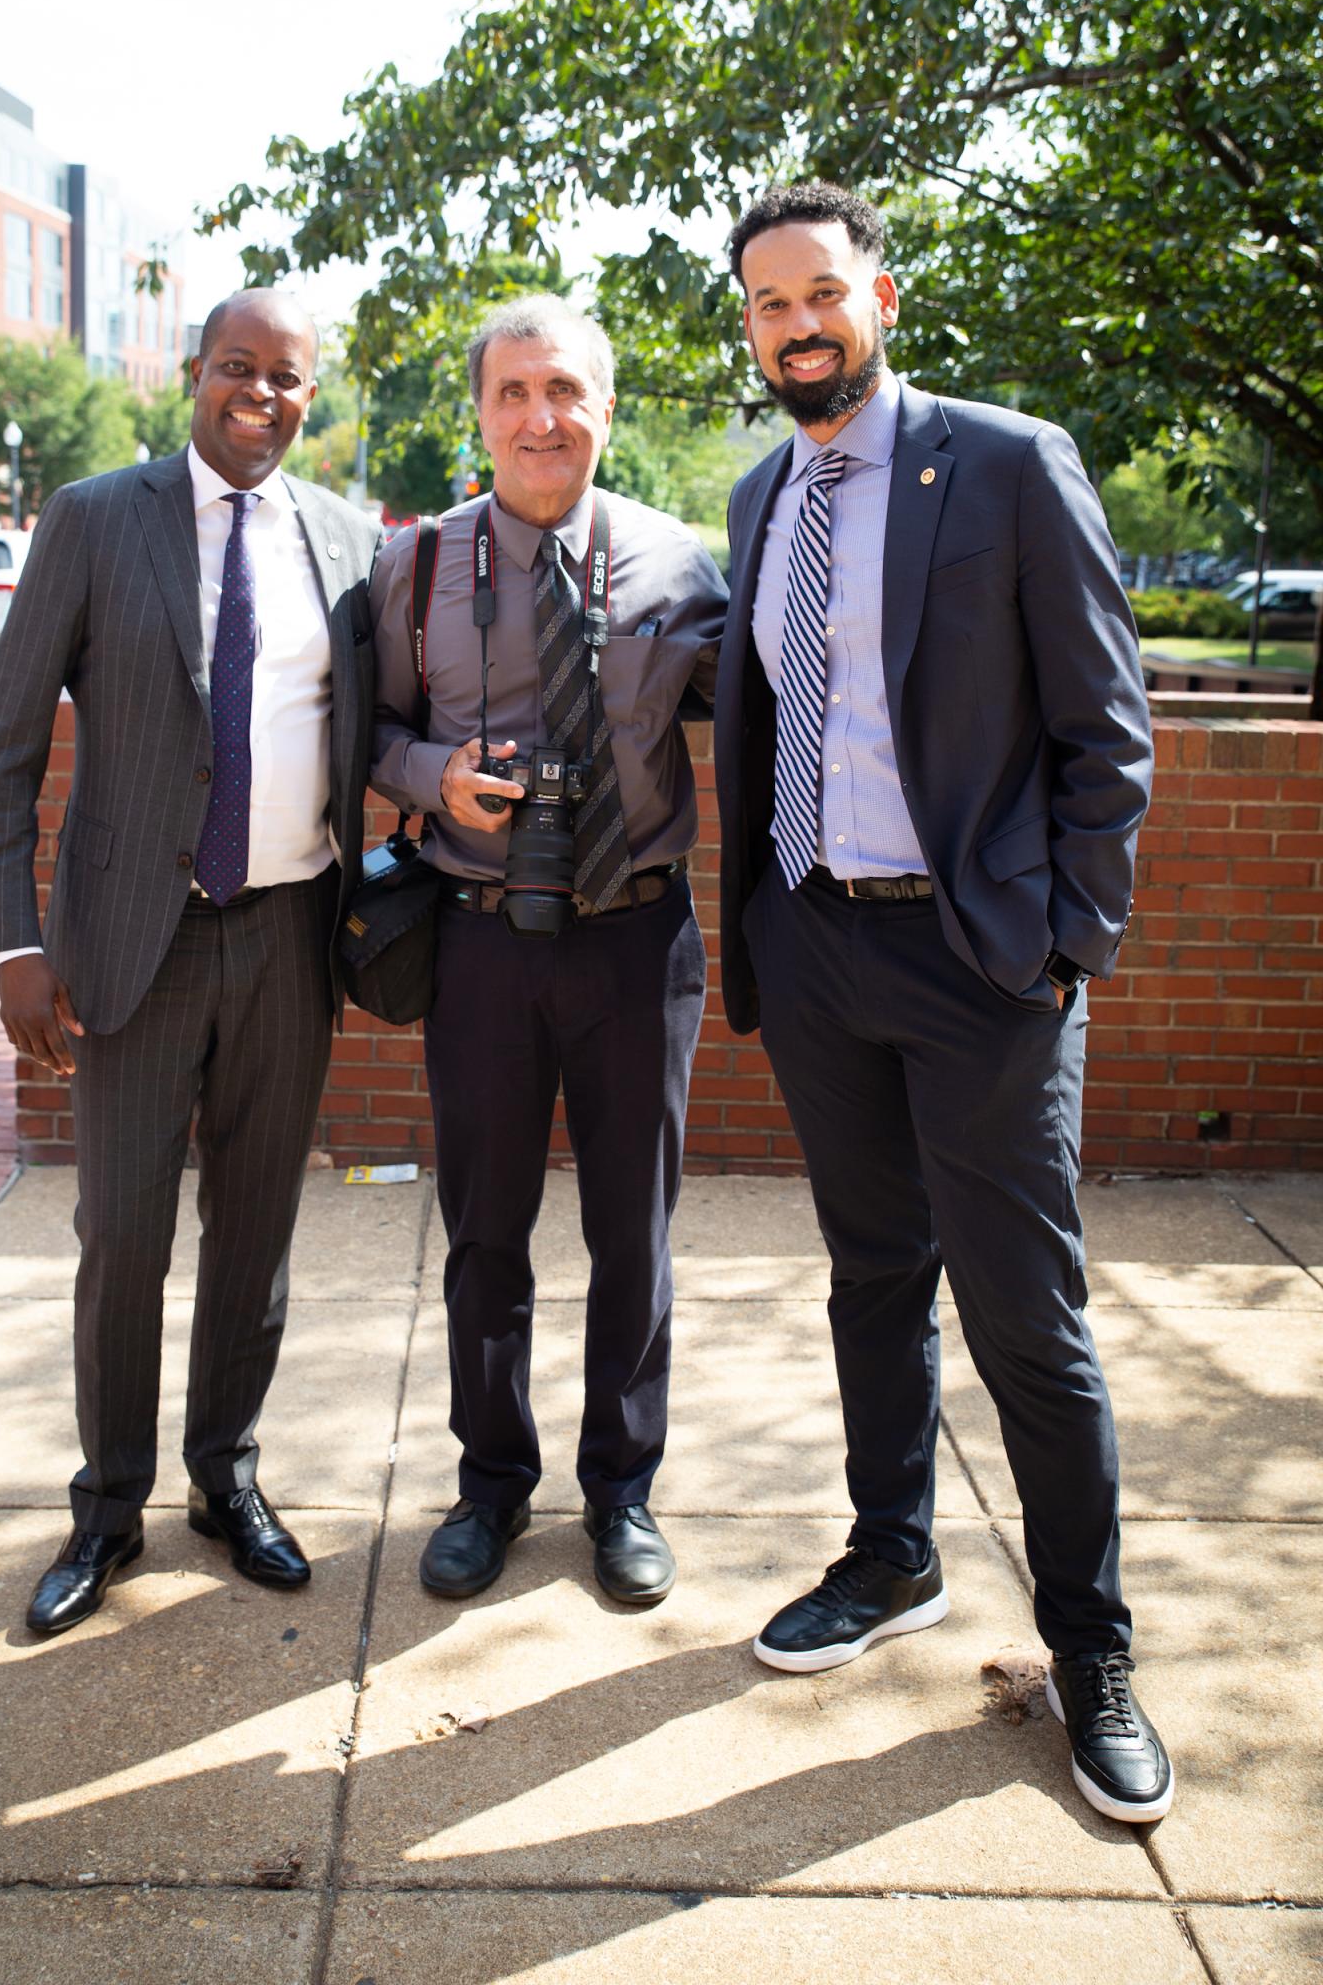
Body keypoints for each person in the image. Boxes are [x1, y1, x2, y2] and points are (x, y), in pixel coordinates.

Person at [713, 182, 1173, 1825]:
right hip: (824, 945)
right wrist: (768, 926)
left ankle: (1093, 1650)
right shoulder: (766, 494)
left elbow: (1106, 731)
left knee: (1028, 1327)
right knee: (871, 1279)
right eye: (768, 306)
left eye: (820, 294)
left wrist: (1072, 947)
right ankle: (892, 1555)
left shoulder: (1005, 460)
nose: (796, 326)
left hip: (983, 963)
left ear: (880, 297)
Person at [0, 288, 380, 1636]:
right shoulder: (96, 519)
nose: (260, 395)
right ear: (193, 375)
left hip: (288, 934)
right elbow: (7, 744)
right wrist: (16, 942)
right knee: (122, 1237)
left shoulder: (347, 538)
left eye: (288, 378)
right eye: (236, 369)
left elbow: (379, 727)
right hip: (130, 946)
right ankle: (108, 1506)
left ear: (313, 395)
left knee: (255, 1237)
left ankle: (226, 1479)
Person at [372, 295, 726, 1605]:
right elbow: (369, 733)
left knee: (634, 1232)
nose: (541, 417)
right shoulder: (413, 569)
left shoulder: (680, 560)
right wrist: (431, 774)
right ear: (480, 409)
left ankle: (621, 1490)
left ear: (606, 408)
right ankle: (491, 1484)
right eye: (515, 392)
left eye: (566, 390)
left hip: (639, 942)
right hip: (479, 946)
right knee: (486, 1235)